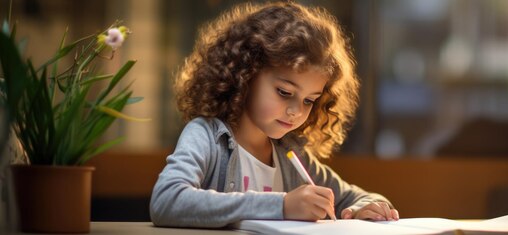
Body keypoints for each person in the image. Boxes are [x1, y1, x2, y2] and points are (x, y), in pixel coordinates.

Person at [150, 1, 399, 228]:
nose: (296, 110)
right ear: (245, 74)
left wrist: (360, 210)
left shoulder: (291, 153)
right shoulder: (206, 136)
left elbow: (361, 197)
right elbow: (166, 200)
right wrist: (281, 206)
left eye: (310, 100)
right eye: (284, 91)